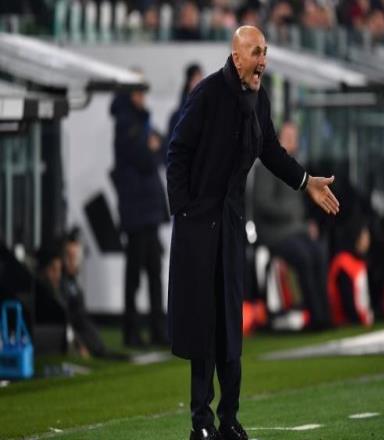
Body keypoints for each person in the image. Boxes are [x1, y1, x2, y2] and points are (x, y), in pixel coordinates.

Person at [166, 25, 339, 440]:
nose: (263, 60)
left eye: (265, 52)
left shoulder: (258, 100)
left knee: (230, 323)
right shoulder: (207, 94)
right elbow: (177, 151)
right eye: (256, 52)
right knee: (204, 326)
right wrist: (185, 212)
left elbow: (272, 151)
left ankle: (229, 419)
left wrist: (305, 182)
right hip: (199, 228)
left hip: (230, 227)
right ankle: (201, 423)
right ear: (237, 56)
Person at [253, 120, 331, 329]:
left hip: (295, 230)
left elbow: (302, 207)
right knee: (304, 256)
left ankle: (325, 314)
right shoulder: (265, 167)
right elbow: (262, 204)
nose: (291, 141)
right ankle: (316, 316)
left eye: (294, 138)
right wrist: (292, 216)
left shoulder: (297, 167)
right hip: (275, 233)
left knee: (319, 251)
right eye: (287, 137)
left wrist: (306, 224)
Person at [110, 80, 169, 348]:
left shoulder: (141, 122)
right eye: (138, 91)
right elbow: (145, 158)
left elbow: (162, 148)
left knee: (154, 271)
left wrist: (153, 147)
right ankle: (131, 330)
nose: (142, 96)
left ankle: (157, 328)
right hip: (135, 210)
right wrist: (151, 147)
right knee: (134, 273)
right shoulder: (125, 124)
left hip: (148, 209)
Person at [60, 230, 127, 359]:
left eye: (75, 257)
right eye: (69, 257)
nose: (73, 261)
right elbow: (66, 321)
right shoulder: (62, 283)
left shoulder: (74, 282)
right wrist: (79, 345)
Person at [327, 219, 373, 327]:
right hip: (346, 322)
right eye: (365, 236)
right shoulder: (344, 262)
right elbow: (346, 299)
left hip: (362, 319)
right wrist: (356, 320)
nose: (368, 241)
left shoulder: (359, 261)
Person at [165, 63, 204, 147]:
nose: (199, 84)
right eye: (195, 80)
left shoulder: (208, 111)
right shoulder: (177, 116)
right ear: (189, 83)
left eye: (201, 79)